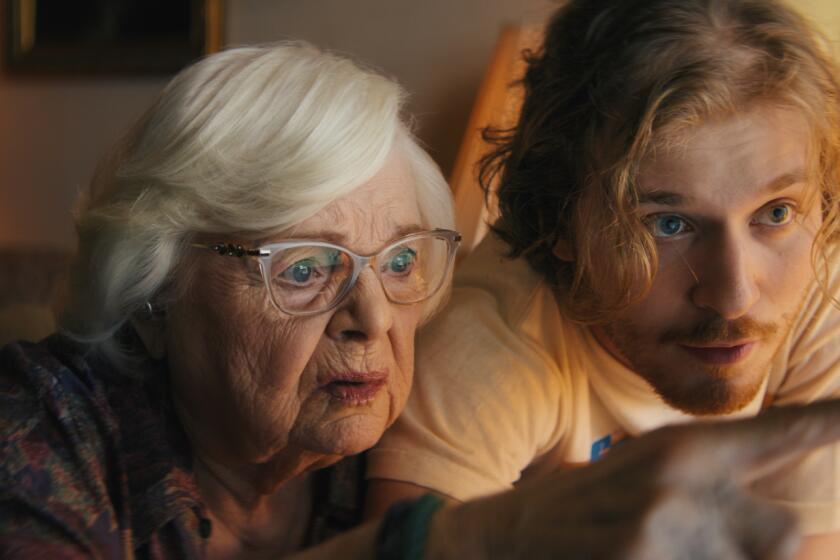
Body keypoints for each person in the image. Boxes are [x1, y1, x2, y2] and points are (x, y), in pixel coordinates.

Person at [2, 35, 840, 560]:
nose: (373, 322)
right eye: (303, 269)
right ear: (156, 288)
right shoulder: (34, 433)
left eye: (400, 262)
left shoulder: (380, 442)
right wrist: (469, 541)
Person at [367, 0, 840, 557]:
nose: (735, 295)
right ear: (557, 219)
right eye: (667, 224)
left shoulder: (816, 285)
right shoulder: (487, 347)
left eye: (777, 212)